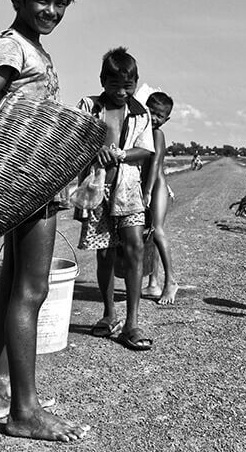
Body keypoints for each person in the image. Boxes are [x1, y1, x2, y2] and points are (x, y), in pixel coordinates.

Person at [0, 0, 88, 442]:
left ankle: (4, 393)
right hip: (26, 179)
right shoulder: (13, 46)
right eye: (42, 0)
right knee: (31, 291)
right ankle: (24, 410)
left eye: (60, 4)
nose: (52, 12)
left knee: (12, 284)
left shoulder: (32, 47)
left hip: (28, 176)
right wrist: (48, 127)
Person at [74, 47, 154, 350]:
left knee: (134, 248)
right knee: (104, 253)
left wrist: (120, 154)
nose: (121, 92)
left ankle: (132, 322)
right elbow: (74, 141)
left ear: (135, 83)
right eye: (115, 85)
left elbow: (145, 150)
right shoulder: (89, 106)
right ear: (102, 81)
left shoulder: (140, 112)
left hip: (128, 190)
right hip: (97, 190)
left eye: (128, 86)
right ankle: (109, 315)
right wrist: (97, 151)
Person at [139, 91, 180, 305]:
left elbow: (154, 166)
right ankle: (153, 283)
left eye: (160, 116)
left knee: (157, 231)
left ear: (167, 119)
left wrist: (146, 191)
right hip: (150, 186)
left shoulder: (157, 135)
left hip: (156, 186)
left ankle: (170, 281)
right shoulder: (142, 131)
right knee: (151, 234)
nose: (154, 118)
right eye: (151, 112)